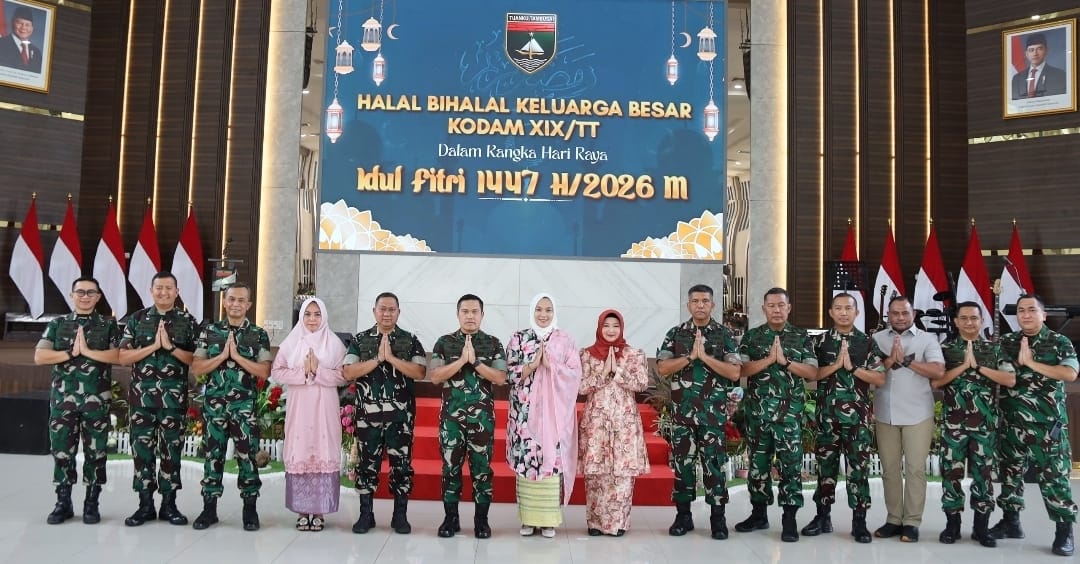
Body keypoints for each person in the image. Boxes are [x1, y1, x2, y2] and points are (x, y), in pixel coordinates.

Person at [991, 294, 1077, 557]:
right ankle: (1011, 522)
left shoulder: (1059, 342)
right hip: (1011, 421)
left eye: (1031, 310)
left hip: (1046, 426)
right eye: (1021, 310)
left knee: (1054, 479)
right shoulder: (1007, 341)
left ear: (1043, 315)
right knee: (1009, 475)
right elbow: (1005, 375)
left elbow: (1069, 373)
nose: (1026, 315)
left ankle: (1064, 532)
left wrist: (1030, 363)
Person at [656, 284, 741, 539]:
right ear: (688, 305)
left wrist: (705, 357)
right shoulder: (676, 334)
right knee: (683, 466)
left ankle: (718, 518)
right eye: (695, 301)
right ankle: (683, 516)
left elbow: (734, 372)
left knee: (714, 466)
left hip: (712, 416)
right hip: (683, 415)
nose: (700, 305)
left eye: (705, 301)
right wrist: (690, 357)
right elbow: (663, 368)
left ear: (713, 305)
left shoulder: (724, 335)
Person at [34, 277, 120, 525]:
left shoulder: (108, 325)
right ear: (72, 295)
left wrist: (88, 352)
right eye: (80, 292)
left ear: (98, 297)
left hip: (96, 401)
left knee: (96, 453)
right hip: (64, 401)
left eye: (90, 292)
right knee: (62, 452)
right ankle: (63, 503)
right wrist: (70, 353)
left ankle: (92, 503)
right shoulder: (58, 324)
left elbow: (118, 355)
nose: (85, 296)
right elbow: (40, 356)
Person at [735, 287, 818, 542]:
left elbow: (812, 374)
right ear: (764, 309)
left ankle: (789, 519)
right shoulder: (753, 337)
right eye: (771, 306)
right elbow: (740, 370)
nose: (777, 310)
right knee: (758, 467)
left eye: (781, 305)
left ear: (789, 308)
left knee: (790, 467)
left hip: (788, 418)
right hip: (758, 416)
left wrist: (786, 362)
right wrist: (768, 360)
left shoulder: (801, 337)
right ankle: (759, 514)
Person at [801, 292, 885, 543]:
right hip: (827, 418)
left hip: (857, 420)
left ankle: (859, 521)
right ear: (830, 312)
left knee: (858, 469)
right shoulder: (820, 342)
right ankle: (822, 516)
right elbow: (810, 375)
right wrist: (835, 366)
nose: (843, 312)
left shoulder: (867, 343)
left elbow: (880, 378)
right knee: (825, 468)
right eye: (838, 308)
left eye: (848, 308)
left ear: (857, 312)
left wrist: (853, 368)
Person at [342, 292, 427, 535]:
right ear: (374, 311)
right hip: (368, 418)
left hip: (400, 419)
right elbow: (348, 372)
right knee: (366, 465)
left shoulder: (410, 341)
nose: (387, 314)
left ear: (398, 312)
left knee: (401, 466)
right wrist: (378, 359)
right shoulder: (360, 340)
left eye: (391, 309)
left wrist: (391, 358)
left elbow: (420, 372)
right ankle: (365, 515)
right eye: (382, 309)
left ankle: (400, 516)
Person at [189, 283, 272, 531]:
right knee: (213, 456)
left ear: (249, 305)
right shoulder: (210, 332)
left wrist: (237, 357)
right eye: (232, 299)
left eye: (241, 300)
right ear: (225, 302)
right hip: (215, 406)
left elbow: (264, 371)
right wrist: (222, 357)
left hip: (244, 407)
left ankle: (250, 510)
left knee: (248, 456)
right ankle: (209, 509)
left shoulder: (258, 334)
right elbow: (197, 367)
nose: (236, 304)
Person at [118, 271, 198, 527]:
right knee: (142, 453)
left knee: (171, 452)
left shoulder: (187, 321)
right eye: (159, 288)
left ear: (177, 292)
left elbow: (196, 361)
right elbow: (123, 357)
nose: (164, 292)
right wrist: (153, 346)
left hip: (173, 401)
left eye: (169, 288)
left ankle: (169, 505)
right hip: (141, 401)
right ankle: (144, 505)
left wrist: (171, 348)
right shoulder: (137, 319)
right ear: (151, 290)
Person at [933, 301, 1015, 547]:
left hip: (984, 426)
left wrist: (978, 366)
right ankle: (952, 526)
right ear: (956, 321)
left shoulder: (993, 349)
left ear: (982, 321)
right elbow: (936, 382)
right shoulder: (945, 349)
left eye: (974, 318)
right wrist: (963, 366)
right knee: (951, 475)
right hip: (954, 426)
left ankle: (981, 528)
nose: (969, 322)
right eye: (964, 318)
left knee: (983, 477)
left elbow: (1009, 379)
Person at [428, 294, 507, 539]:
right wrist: (462, 360)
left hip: (482, 420)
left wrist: (477, 363)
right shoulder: (444, 342)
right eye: (465, 311)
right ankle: (450, 519)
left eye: (475, 312)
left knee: (482, 470)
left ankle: (481, 521)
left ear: (482, 315)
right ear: (458, 314)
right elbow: (435, 376)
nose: (470, 316)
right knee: (450, 469)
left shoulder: (493, 343)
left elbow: (500, 378)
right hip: (451, 420)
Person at [505, 293, 582, 538]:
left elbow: (575, 375)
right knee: (527, 461)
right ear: (532, 310)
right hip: (524, 414)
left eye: (548, 309)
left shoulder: (565, 340)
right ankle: (528, 520)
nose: (543, 314)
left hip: (554, 416)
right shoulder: (519, 338)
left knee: (552, 463)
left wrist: (552, 367)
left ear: (554, 312)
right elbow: (508, 373)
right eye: (538, 309)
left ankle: (548, 521)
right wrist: (530, 366)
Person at [871, 295, 944, 543]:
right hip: (885, 413)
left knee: (915, 470)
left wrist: (906, 361)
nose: (900, 317)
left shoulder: (927, 339)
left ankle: (912, 522)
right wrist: (889, 361)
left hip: (918, 414)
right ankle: (893, 519)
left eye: (905, 313)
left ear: (913, 314)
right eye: (895, 313)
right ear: (888, 316)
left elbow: (938, 371)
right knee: (889, 470)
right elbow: (870, 371)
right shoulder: (877, 339)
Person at [272, 297, 347, 532]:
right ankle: (302, 511)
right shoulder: (291, 342)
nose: (312, 319)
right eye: (307, 314)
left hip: (325, 406)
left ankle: (320, 511)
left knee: (323, 449)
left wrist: (318, 370)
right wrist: (303, 373)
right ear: (301, 317)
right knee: (301, 448)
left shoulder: (334, 344)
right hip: (300, 406)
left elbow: (344, 375)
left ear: (324, 316)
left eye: (317, 314)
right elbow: (277, 372)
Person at [579, 309, 649, 537]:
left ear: (622, 328)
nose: (610, 330)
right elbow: (580, 387)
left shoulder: (634, 354)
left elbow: (641, 384)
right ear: (599, 328)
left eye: (615, 326)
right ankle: (595, 523)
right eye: (606, 326)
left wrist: (616, 372)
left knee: (622, 473)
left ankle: (618, 523)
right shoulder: (587, 355)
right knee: (596, 474)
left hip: (624, 423)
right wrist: (602, 373)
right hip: (596, 422)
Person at [1011, 32, 1068, 99]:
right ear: (1026, 54)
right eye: (1031, 50)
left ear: (1046, 50)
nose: (1035, 53)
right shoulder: (1016, 79)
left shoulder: (1060, 75)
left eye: (1039, 49)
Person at [0, 7, 43, 73]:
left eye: (27, 25)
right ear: (12, 23)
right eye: (20, 23)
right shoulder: (2, 44)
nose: (23, 27)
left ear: (32, 28)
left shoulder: (37, 53)